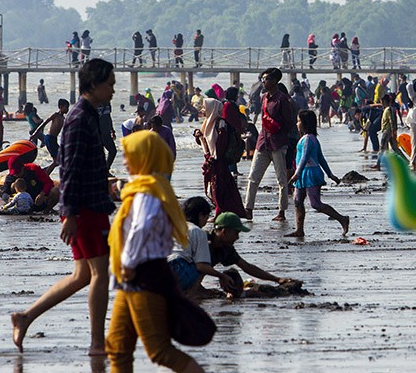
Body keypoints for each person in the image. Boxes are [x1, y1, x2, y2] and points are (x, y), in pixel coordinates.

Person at [11, 59, 117, 356]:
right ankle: (98, 343)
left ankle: (25, 317)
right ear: (94, 85)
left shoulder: (90, 115)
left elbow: (86, 166)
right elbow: (68, 170)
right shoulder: (79, 118)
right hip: (85, 209)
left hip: (91, 204)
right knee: (100, 274)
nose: (112, 90)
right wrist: (68, 214)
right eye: (109, 84)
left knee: (82, 275)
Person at [104, 130, 204, 373]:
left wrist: (127, 263)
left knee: (159, 350)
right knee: (117, 347)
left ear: (144, 157)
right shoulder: (148, 187)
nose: (125, 161)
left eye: (129, 155)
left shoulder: (147, 191)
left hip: (142, 276)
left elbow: (141, 228)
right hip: (133, 277)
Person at [284, 110, 349, 237]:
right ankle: (299, 230)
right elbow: (321, 158)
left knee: (315, 204)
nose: (297, 124)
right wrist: (330, 175)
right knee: (297, 200)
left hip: (310, 174)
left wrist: (297, 174)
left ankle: (342, 219)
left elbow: (306, 157)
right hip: (302, 174)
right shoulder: (305, 139)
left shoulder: (309, 139)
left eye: (299, 121)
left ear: (305, 124)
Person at [244, 68, 294, 222]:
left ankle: (282, 211)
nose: (263, 82)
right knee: (253, 176)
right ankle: (248, 209)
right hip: (263, 141)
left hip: (278, 143)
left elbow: (289, 122)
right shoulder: (264, 97)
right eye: (263, 79)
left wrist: (278, 131)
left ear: (274, 81)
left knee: (281, 179)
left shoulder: (282, 99)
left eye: (266, 79)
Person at [207, 212, 297, 295]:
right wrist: (221, 276)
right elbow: (200, 267)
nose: (237, 237)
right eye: (236, 233)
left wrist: (277, 279)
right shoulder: (203, 242)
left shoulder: (226, 248)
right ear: (225, 232)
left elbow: (247, 267)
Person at [168, 197, 240, 296]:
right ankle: (192, 295)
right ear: (201, 215)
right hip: (179, 269)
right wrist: (222, 276)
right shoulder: (198, 231)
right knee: (200, 261)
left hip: (161, 268)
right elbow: (201, 266)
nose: (206, 222)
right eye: (206, 217)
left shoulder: (173, 227)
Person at [194, 98, 247, 217]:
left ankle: (220, 213)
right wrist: (197, 135)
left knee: (218, 187)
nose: (203, 110)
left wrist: (215, 157)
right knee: (214, 187)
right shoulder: (207, 123)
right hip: (210, 159)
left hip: (218, 160)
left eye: (204, 107)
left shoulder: (220, 123)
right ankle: (225, 211)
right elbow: (204, 142)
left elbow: (222, 142)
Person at [31, 99, 69, 165]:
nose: (67, 109)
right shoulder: (55, 115)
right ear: (61, 107)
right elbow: (44, 123)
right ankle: (45, 174)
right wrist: (34, 134)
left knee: (60, 159)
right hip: (49, 138)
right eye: (66, 107)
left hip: (54, 139)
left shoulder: (63, 119)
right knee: (57, 160)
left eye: (68, 107)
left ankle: (45, 173)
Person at [373, 94, 405, 170]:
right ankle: (406, 162)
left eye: (382, 102)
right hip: (390, 131)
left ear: (384, 101)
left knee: (382, 148)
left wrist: (394, 131)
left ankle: (378, 164)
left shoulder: (388, 110)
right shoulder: (390, 109)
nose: (381, 103)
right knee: (395, 149)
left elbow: (391, 121)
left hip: (387, 132)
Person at [98, 102, 116, 174]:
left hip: (107, 132)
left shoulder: (107, 103)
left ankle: (106, 169)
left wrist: (112, 130)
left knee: (113, 151)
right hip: (97, 132)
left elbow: (108, 117)